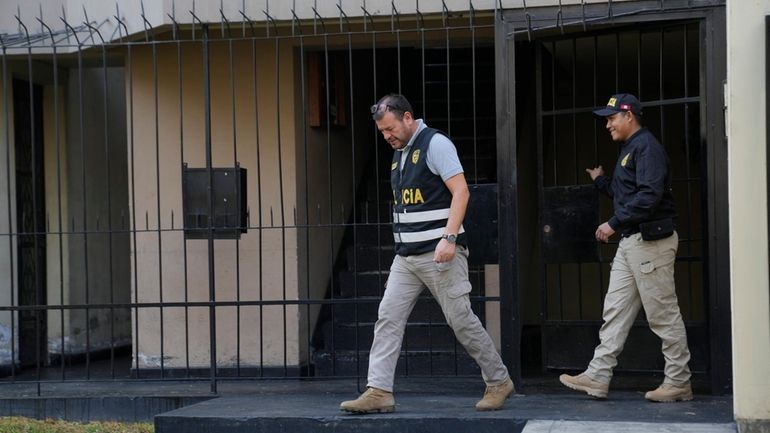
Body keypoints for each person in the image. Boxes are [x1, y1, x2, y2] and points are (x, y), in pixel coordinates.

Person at [340, 94, 514, 414]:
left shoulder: (436, 144)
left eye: (390, 129)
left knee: (460, 319)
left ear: (408, 118)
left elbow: (461, 190)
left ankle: (499, 381)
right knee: (388, 318)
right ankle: (378, 390)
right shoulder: (399, 153)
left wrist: (449, 238)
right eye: (381, 132)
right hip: (406, 257)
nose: (387, 136)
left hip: (439, 253)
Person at [559, 93, 693, 403]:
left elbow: (648, 197)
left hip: (650, 243)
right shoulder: (630, 150)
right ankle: (598, 375)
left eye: (611, 118)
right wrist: (601, 181)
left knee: (662, 314)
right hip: (633, 242)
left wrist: (613, 223)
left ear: (629, 115)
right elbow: (627, 193)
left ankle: (679, 381)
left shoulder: (647, 148)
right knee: (615, 311)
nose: (607, 124)